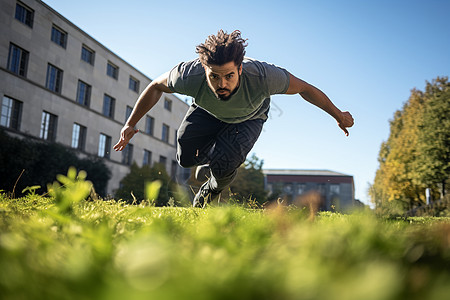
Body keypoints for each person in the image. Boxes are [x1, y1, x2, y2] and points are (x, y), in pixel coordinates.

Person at [114, 30, 354, 208]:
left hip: (249, 119)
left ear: (240, 69)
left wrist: (338, 115)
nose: (222, 84)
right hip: (207, 112)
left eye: (229, 76)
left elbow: (306, 89)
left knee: (226, 163)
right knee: (185, 158)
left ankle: (210, 189)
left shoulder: (264, 76)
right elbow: (156, 86)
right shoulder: (189, 74)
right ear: (204, 69)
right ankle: (209, 164)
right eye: (214, 77)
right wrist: (130, 123)